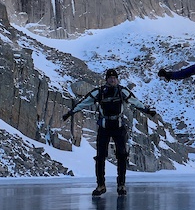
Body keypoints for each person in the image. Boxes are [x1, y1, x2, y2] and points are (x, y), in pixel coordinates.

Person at [64, 68, 156, 196]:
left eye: (114, 78)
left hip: (118, 126)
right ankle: (100, 185)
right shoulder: (100, 92)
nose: (113, 80)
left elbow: (135, 102)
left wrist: (147, 111)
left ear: (117, 79)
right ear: (106, 79)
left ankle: (121, 185)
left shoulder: (122, 91)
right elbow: (85, 102)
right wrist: (71, 112)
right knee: (100, 157)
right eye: (110, 78)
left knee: (122, 156)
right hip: (104, 126)